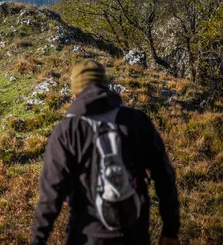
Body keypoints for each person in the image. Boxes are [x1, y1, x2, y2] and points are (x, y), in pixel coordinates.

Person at [31, 60, 180, 245]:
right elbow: (164, 176)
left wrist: (38, 239)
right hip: (135, 235)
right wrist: (170, 229)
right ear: (105, 85)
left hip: (86, 235)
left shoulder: (66, 131)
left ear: (75, 93)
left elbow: (51, 195)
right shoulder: (137, 121)